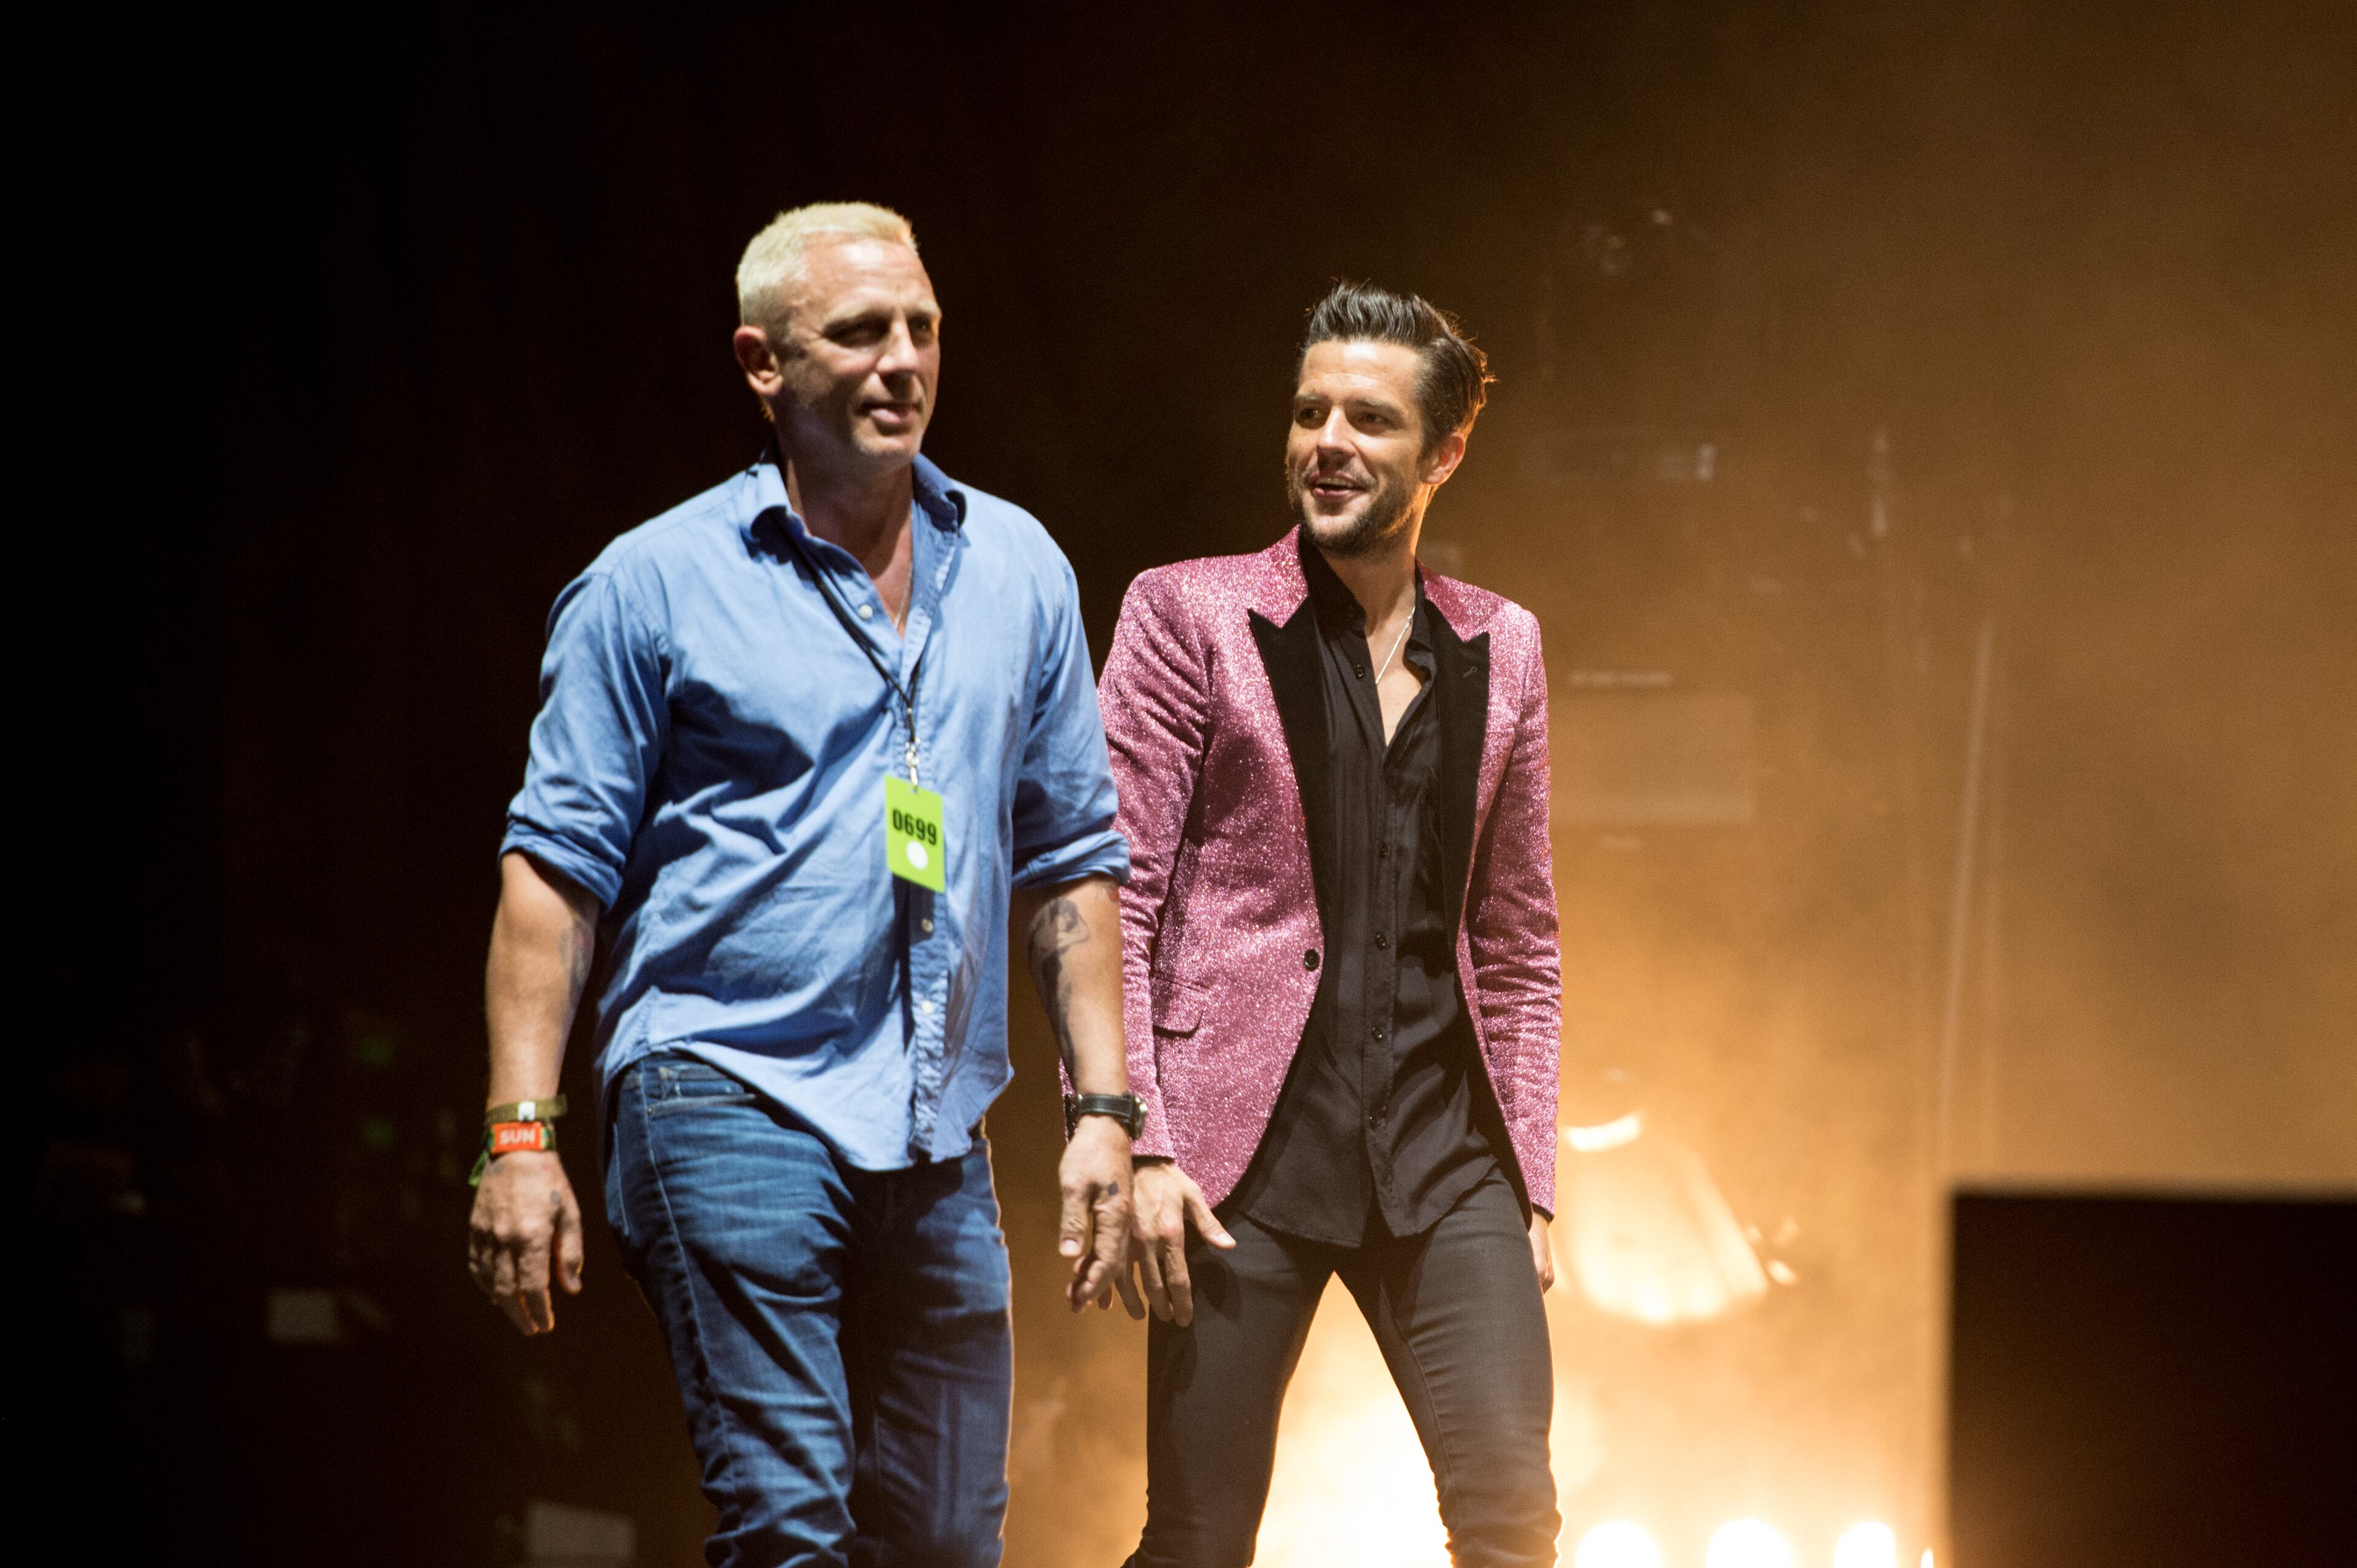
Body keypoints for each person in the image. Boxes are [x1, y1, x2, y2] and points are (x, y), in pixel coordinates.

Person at [464, 201, 1144, 1568]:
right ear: (763, 364)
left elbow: (1073, 857)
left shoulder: (1017, 567)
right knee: (791, 1522)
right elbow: (552, 878)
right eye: (860, 332)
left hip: (934, 1128)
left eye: (923, 327)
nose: (903, 359)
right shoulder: (651, 585)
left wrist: (1106, 1110)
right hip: (724, 1086)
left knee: (949, 1541)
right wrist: (519, 1142)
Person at [1100, 282, 1564, 1567]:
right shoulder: (1188, 613)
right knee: (1196, 1539)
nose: (1328, 442)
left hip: (1445, 1148)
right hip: (1244, 1156)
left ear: (1446, 453)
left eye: (1369, 418)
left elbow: (1520, 940)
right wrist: (1140, 1138)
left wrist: (1528, 1176)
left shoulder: (1501, 648)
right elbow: (1112, 898)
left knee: (1515, 1523)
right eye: (1309, 413)